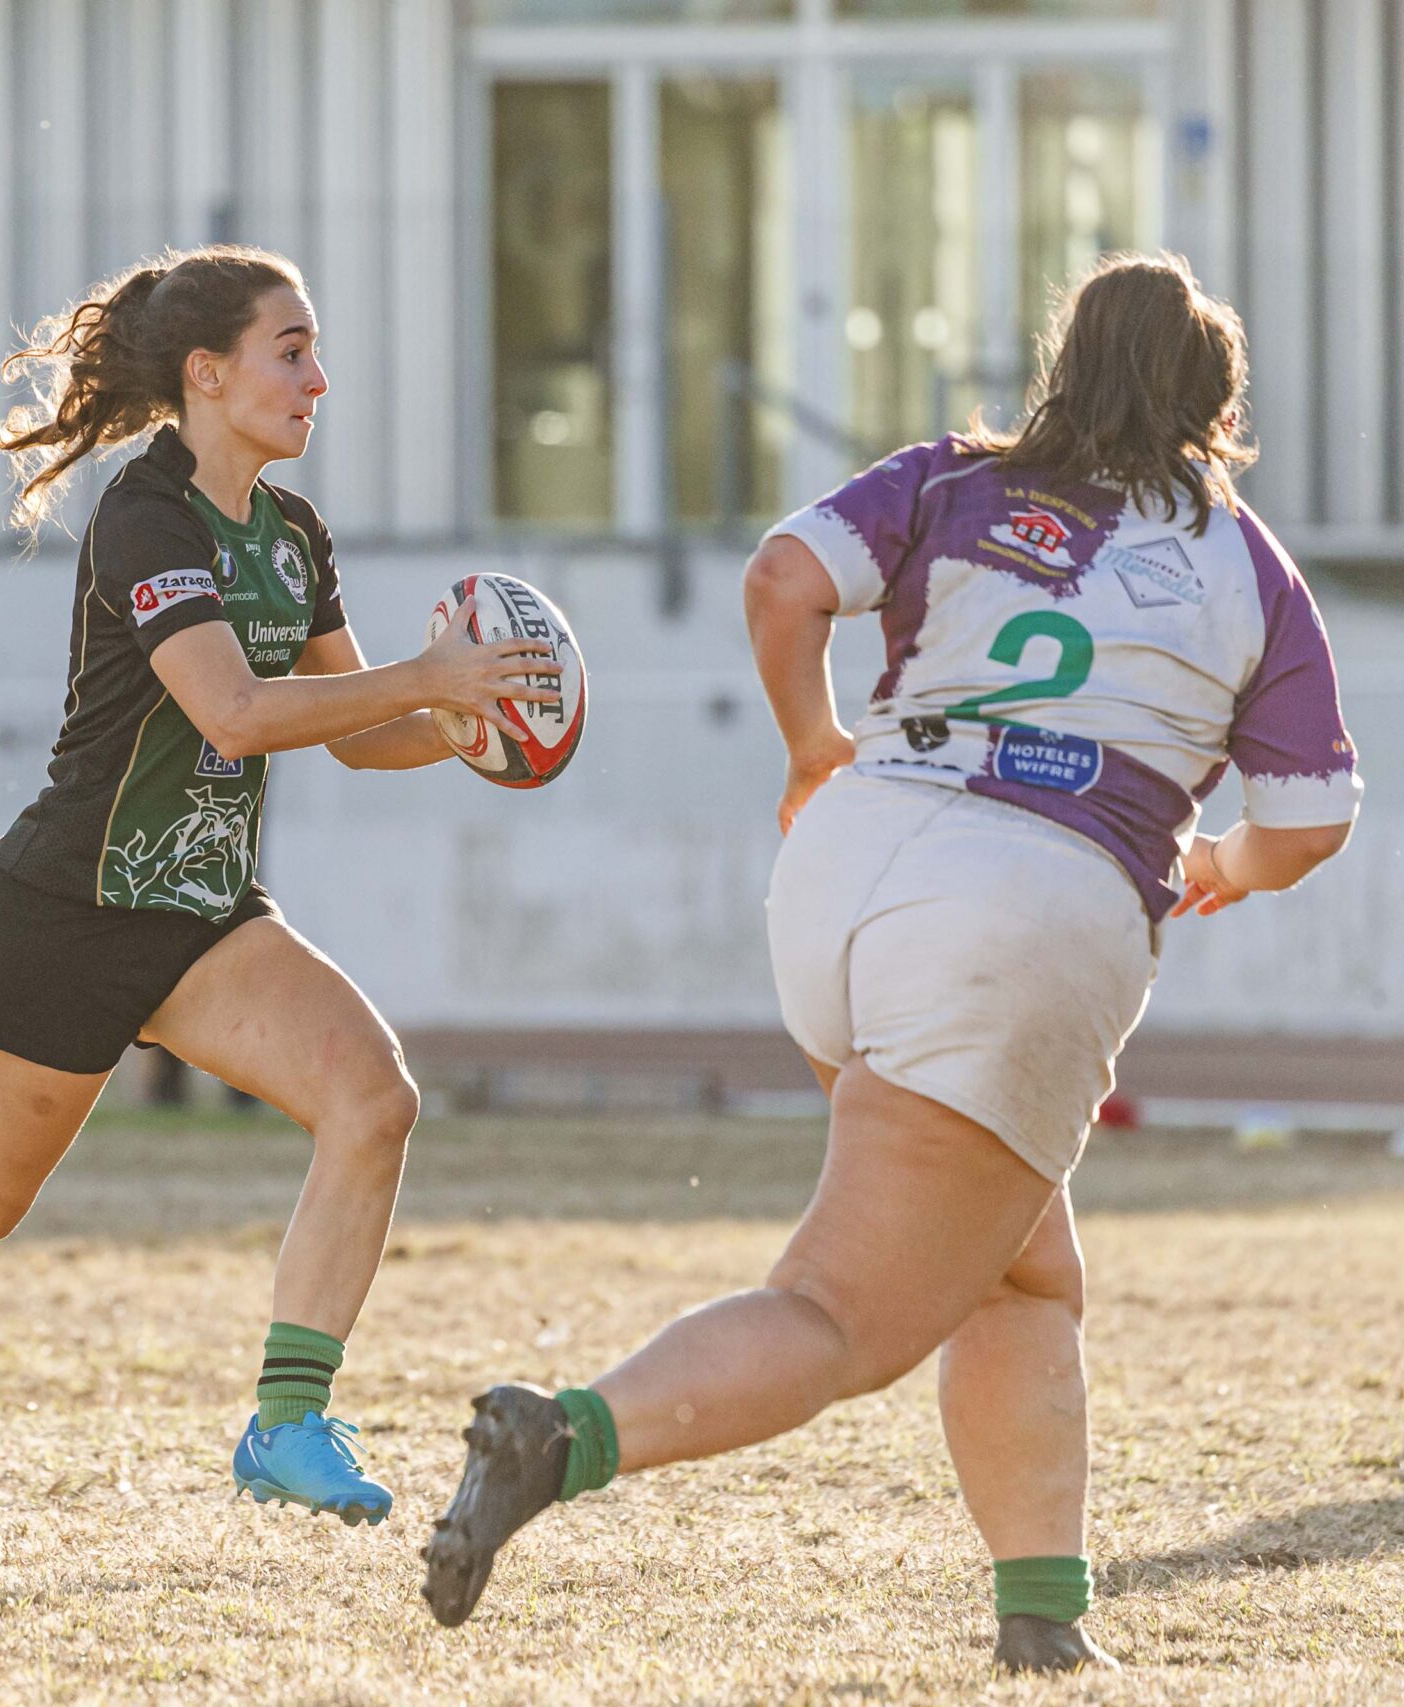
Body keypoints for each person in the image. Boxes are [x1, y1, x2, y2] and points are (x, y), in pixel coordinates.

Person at [422, 252, 1360, 1670]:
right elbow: (1310, 817)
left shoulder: (954, 479)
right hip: (1027, 908)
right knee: (842, 1308)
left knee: (1019, 1267)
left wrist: (812, 745)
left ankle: (1042, 1615)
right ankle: (564, 1436)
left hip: (844, 868)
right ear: (1215, 403)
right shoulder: (1246, 562)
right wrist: (1220, 860)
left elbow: (784, 577)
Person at [0, 244, 558, 1525]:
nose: (317, 379)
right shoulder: (146, 516)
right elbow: (236, 713)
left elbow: (354, 727)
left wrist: (481, 724)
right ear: (206, 373)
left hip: (203, 919)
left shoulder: (294, 536)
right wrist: (428, 679)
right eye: (289, 351)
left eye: (312, 352)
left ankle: (286, 1424)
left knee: (373, 1100)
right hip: (64, 915)